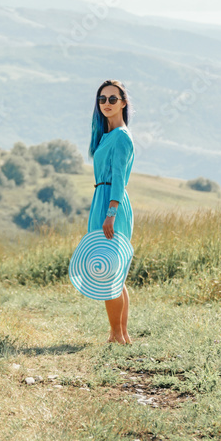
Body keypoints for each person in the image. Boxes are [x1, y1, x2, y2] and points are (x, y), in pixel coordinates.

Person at [87, 79, 135, 345]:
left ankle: (117, 335)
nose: (106, 103)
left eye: (112, 99)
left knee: (108, 273)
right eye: (102, 99)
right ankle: (122, 335)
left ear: (123, 103)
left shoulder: (121, 137)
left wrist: (111, 212)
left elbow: (118, 177)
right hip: (102, 199)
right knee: (113, 272)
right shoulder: (106, 135)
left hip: (111, 202)